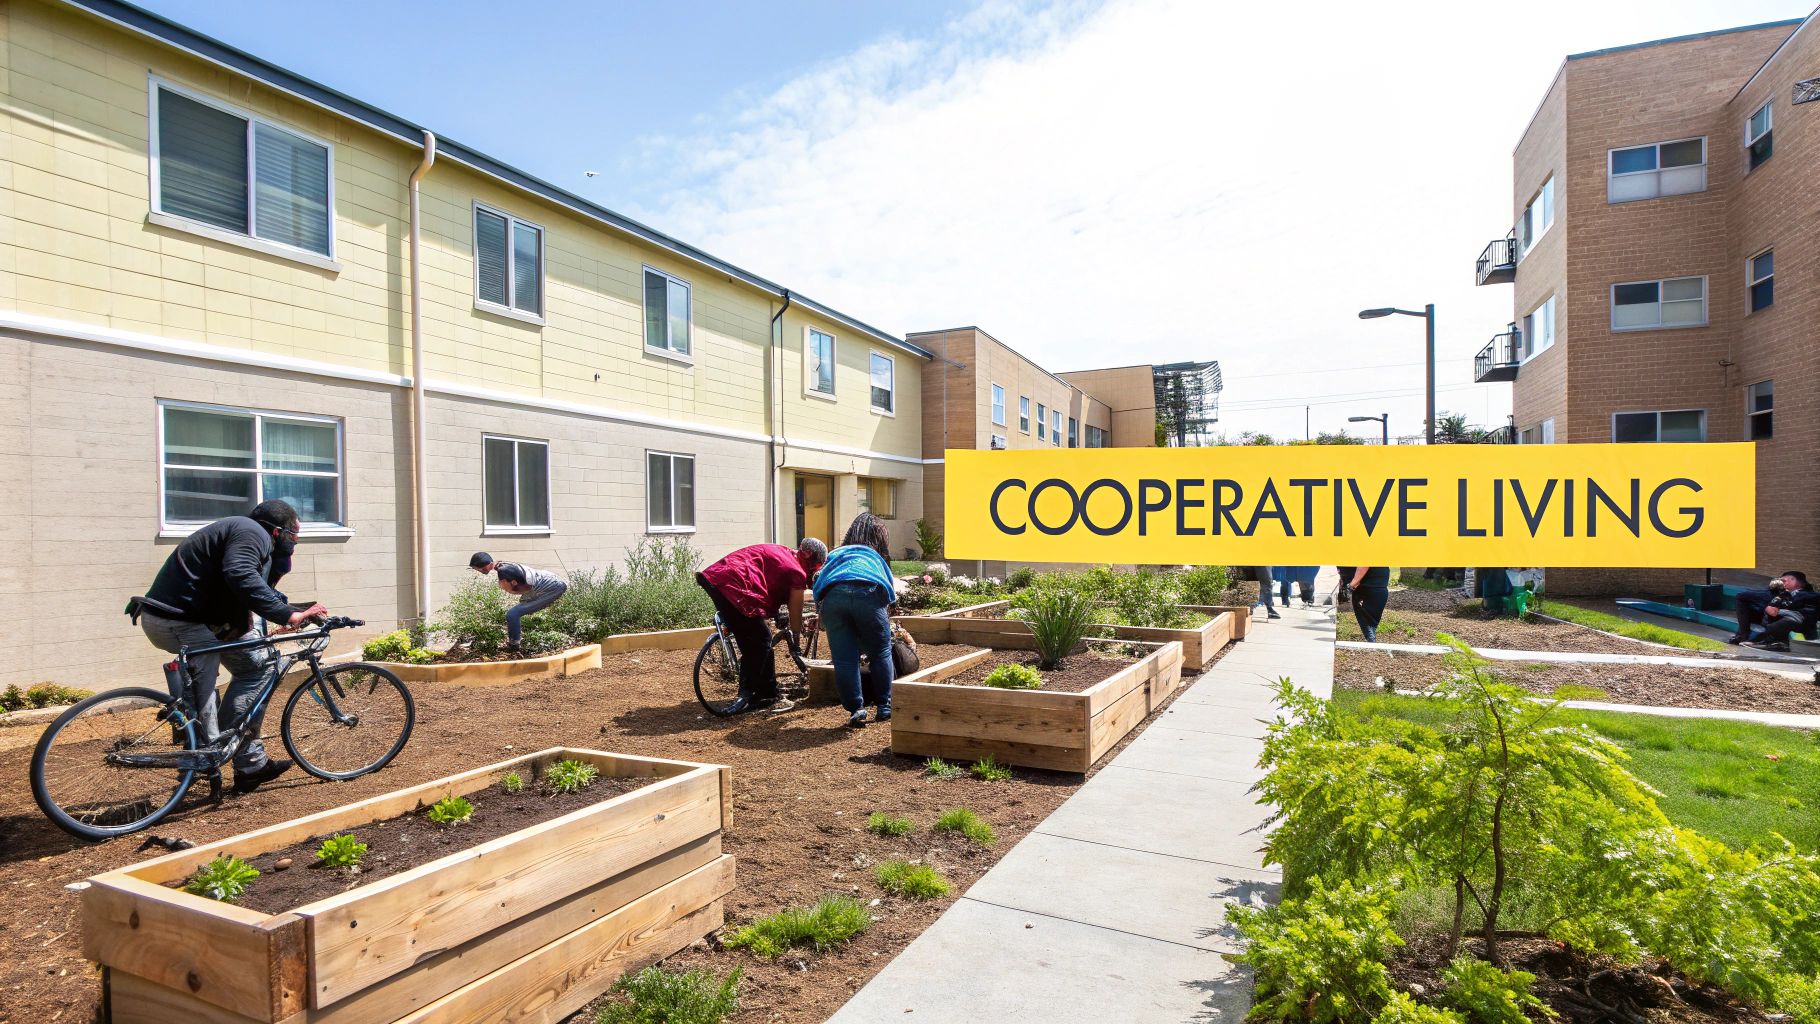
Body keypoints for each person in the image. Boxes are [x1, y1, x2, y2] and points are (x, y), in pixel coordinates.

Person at [129, 500, 326, 793]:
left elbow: (253, 587)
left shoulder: (240, 532)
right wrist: (287, 615)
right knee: (213, 689)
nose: (295, 541)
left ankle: (250, 763)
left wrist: (293, 609)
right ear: (277, 531)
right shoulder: (253, 532)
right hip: (185, 622)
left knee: (259, 666)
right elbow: (240, 574)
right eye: (294, 534)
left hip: (180, 619)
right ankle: (206, 755)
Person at [695, 538, 827, 714]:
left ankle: (767, 693)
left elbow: (768, 582)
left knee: (756, 639)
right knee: (760, 641)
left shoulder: (783, 552)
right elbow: (795, 611)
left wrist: (776, 614)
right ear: (808, 554)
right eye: (817, 565)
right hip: (734, 587)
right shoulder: (797, 571)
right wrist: (796, 640)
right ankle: (750, 696)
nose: (815, 571)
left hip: (716, 579)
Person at [815, 513, 900, 729]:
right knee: (881, 652)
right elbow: (889, 591)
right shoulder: (874, 556)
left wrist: (820, 612)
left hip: (833, 597)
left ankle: (856, 709)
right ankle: (885, 706)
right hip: (868, 592)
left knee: (844, 660)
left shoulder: (836, 554)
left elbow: (820, 580)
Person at [469, 552, 568, 654]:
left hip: (553, 587)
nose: (479, 571)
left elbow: (524, 587)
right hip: (550, 582)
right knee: (521, 605)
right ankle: (521, 635)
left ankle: (514, 646)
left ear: (488, 564)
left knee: (513, 613)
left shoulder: (504, 571)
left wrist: (511, 588)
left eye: (479, 569)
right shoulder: (502, 566)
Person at [1729, 570, 1820, 652]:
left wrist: (1778, 603)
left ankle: (1778, 643)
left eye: (1784, 580)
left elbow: (1799, 609)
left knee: (1783, 619)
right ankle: (1743, 635)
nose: (1782, 583)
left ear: (1794, 581)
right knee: (1743, 600)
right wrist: (1773, 591)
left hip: (1796, 621)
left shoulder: (1810, 595)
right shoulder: (1781, 592)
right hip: (1777, 617)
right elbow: (1746, 596)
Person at [1348, 566, 1391, 642]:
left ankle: (1371, 641)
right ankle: (1371, 639)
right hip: (1380, 588)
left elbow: (1364, 563)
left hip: (1368, 588)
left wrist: (1351, 585)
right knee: (1371, 624)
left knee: (1367, 624)